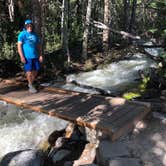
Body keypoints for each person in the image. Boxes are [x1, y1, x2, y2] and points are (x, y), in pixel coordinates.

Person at [17, 19, 43, 93]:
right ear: (25, 26)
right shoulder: (22, 34)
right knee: (29, 71)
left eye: (30, 25)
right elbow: (19, 46)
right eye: (28, 25)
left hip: (35, 56)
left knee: (36, 70)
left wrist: (40, 55)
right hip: (27, 57)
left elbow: (38, 46)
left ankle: (30, 83)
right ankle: (31, 85)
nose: (29, 27)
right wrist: (22, 56)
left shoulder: (35, 35)